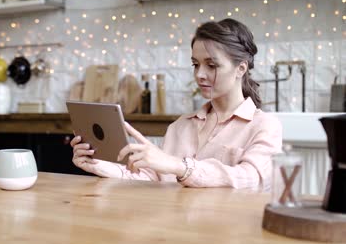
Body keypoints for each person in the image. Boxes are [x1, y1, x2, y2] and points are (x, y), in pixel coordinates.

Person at [70, 18, 282, 190]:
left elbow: (252, 179)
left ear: (241, 68)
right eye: (196, 64)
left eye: (211, 65)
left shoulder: (263, 126)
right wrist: (99, 165)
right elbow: (151, 179)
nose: (200, 74)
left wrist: (179, 166)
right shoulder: (180, 127)